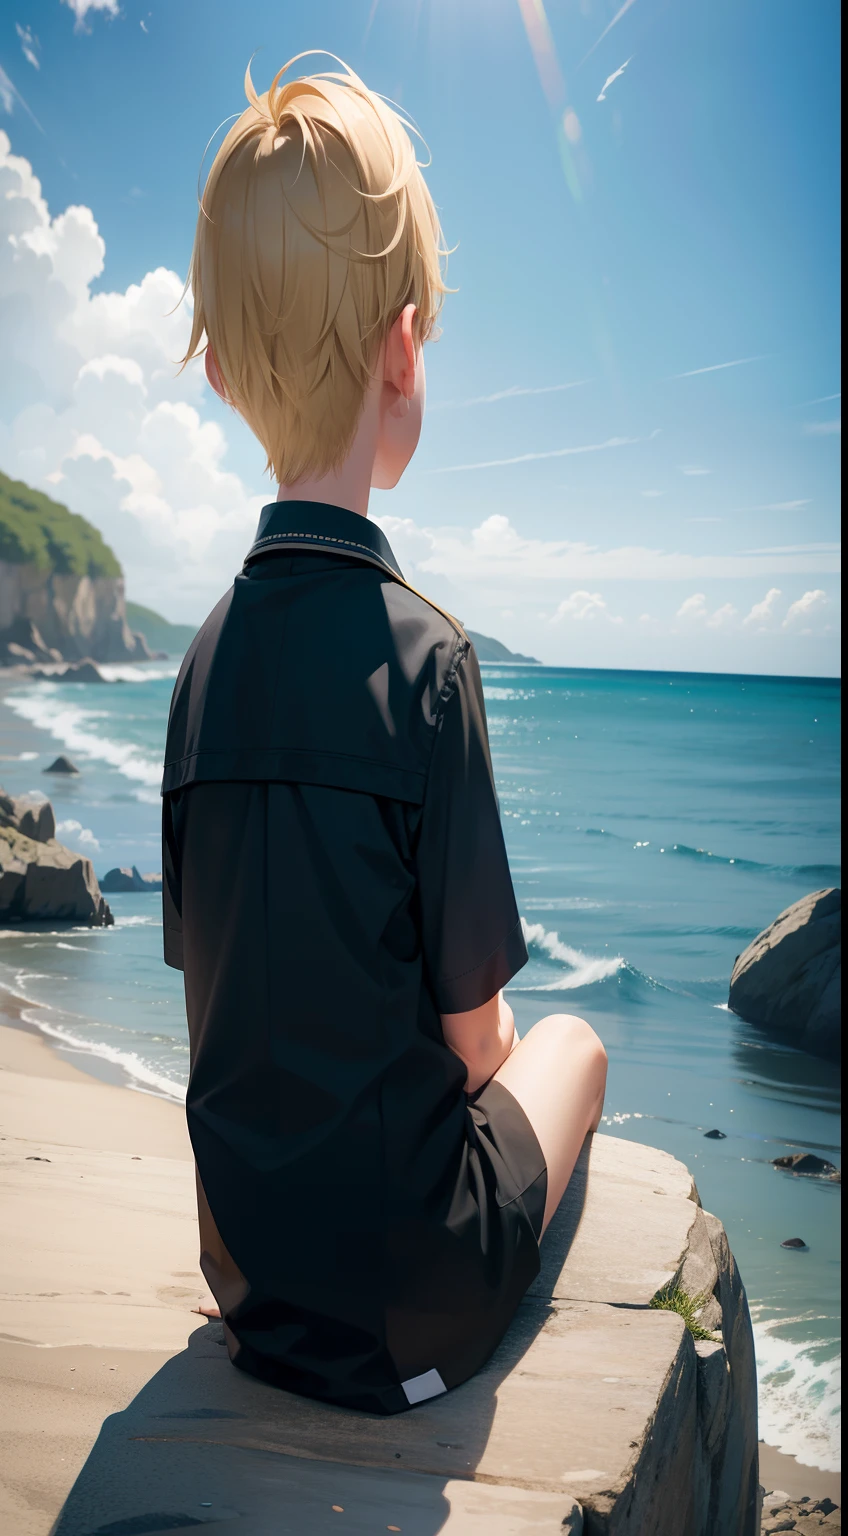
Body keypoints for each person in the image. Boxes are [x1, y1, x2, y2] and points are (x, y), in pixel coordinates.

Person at [162, 52, 607, 1416]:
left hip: (249, 1284)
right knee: (571, 1046)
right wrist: (505, 1045)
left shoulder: (195, 669)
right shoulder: (429, 660)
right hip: (408, 1311)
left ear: (228, 374)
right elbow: (474, 1048)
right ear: (406, 345)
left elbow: (216, 990)